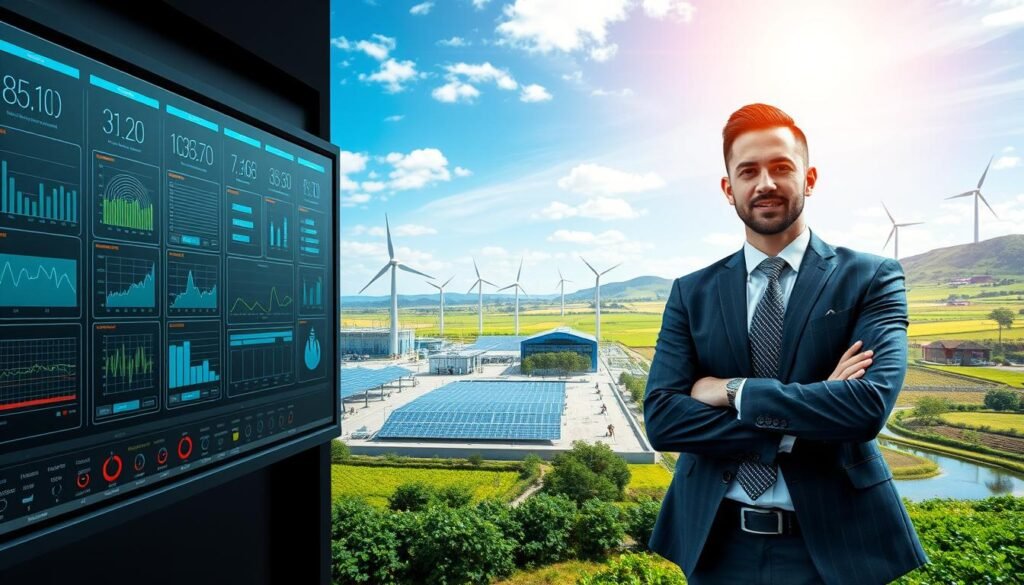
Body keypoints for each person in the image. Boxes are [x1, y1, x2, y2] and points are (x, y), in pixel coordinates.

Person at [643, 104, 927, 585]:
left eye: (781, 167)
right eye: (748, 171)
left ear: (809, 178)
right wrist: (810, 414)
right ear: (727, 188)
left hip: (837, 548)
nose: (765, 183)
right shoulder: (691, 292)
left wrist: (734, 391)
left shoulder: (870, 278)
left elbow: (865, 408)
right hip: (716, 544)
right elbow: (664, 419)